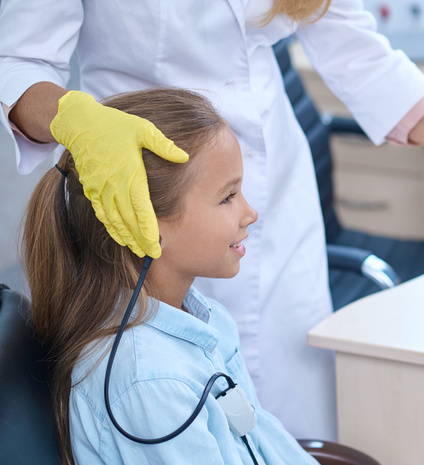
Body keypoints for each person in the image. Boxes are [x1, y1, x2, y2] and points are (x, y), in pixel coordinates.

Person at [0, 0, 424, 440]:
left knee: (291, 422)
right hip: (145, 199)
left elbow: (358, 54)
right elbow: (16, 64)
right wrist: (76, 120)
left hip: (274, 202)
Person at [23, 87, 320, 465]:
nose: (250, 214)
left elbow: (263, 442)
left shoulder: (208, 321)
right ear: (144, 223)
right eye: (228, 197)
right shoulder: (150, 380)